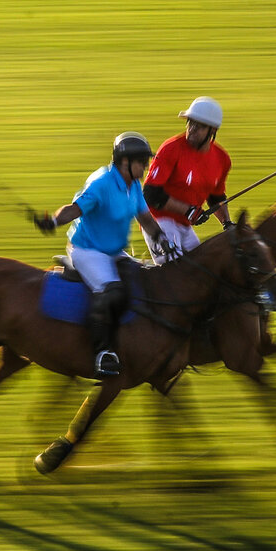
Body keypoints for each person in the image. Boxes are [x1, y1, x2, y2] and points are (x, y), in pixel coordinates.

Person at [32, 132, 172, 377]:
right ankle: (102, 353)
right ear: (124, 161)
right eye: (141, 161)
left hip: (114, 251)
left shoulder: (133, 186)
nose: (145, 166)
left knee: (146, 278)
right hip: (88, 251)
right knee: (112, 292)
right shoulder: (101, 183)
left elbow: (145, 218)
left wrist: (161, 238)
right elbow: (74, 209)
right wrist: (53, 221)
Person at [141, 96, 233, 262]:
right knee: (176, 271)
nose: (192, 129)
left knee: (203, 270)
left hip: (185, 226)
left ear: (212, 130)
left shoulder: (222, 159)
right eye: (190, 123)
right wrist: (189, 210)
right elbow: (151, 194)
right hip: (159, 222)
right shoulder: (171, 148)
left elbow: (216, 197)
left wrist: (227, 223)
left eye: (200, 126)